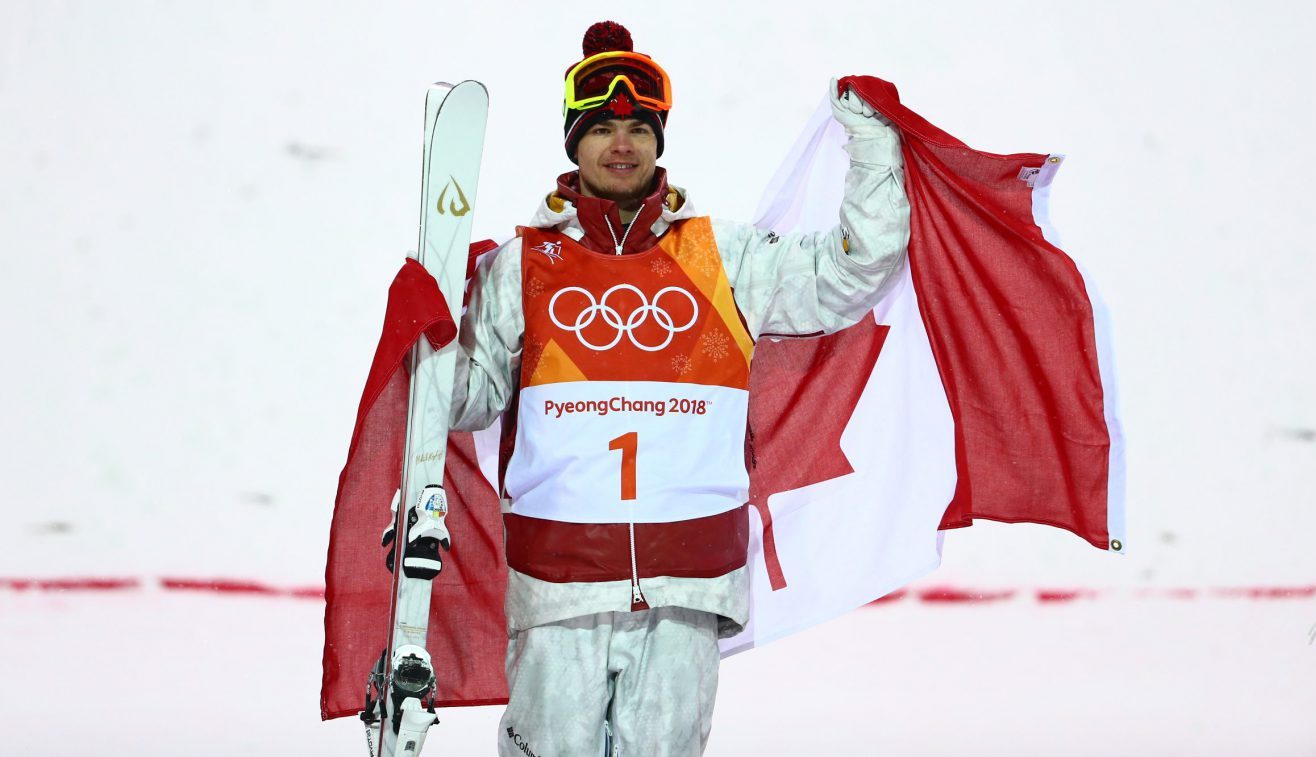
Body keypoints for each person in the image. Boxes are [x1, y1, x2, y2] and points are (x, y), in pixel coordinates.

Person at [449, 20, 910, 757]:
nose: (622, 143)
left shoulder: (721, 255)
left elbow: (847, 274)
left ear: (660, 139)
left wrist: (877, 149)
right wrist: (428, 335)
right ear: (573, 141)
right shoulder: (521, 265)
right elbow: (467, 400)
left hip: (688, 586)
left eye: (638, 127)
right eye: (601, 127)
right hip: (558, 584)